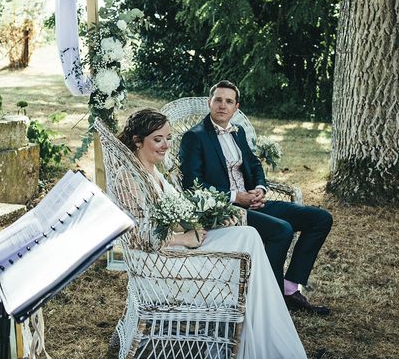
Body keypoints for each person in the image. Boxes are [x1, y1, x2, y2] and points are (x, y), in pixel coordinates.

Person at [118, 109, 307, 359]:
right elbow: (135, 236)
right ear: (137, 140)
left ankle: (262, 333)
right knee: (247, 245)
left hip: (180, 246)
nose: (166, 145)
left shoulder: (153, 171)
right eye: (158, 139)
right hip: (162, 263)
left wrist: (212, 217)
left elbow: (178, 213)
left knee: (248, 235)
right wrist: (183, 238)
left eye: (168, 138)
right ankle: (259, 338)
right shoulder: (129, 178)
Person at [179, 80, 332, 315]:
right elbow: (191, 184)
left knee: (320, 218)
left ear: (236, 107)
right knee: (282, 230)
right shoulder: (195, 137)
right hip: (225, 211)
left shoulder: (237, 132)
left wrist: (259, 188)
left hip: (252, 202)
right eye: (218, 100)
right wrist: (234, 197)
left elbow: (253, 163)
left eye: (228, 101)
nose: (222, 105)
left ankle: (289, 289)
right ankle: (267, 300)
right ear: (210, 103)